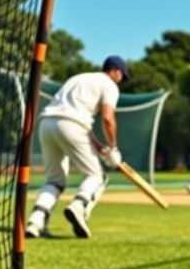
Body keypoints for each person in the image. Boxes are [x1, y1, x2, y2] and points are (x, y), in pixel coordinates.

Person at [25, 55, 129, 239]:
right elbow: (107, 118)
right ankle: (79, 206)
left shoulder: (78, 78)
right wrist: (113, 147)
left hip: (46, 124)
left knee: (54, 180)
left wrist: (98, 146)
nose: (121, 80)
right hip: (71, 126)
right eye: (122, 76)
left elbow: (74, 115)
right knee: (97, 176)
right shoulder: (110, 85)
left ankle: (36, 221)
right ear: (115, 71)